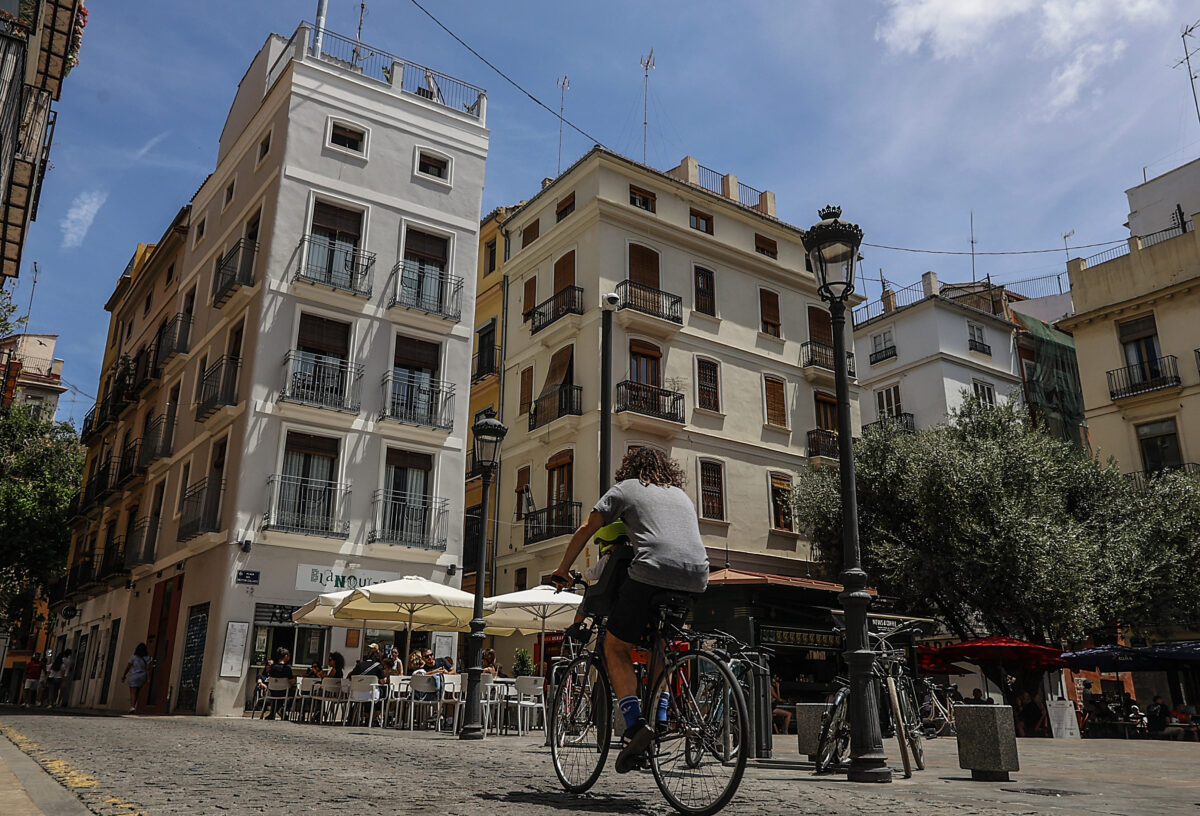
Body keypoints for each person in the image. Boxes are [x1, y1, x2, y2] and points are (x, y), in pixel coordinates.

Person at [552, 447, 709, 774]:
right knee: (661, 645)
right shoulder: (681, 495)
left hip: (652, 571)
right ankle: (660, 717)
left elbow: (587, 527)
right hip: (697, 576)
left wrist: (562, 570)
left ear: (630, 469)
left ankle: (636, 725)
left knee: (615, 646)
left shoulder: (626, 488)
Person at [264, 647, 295, 720]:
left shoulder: (272, 667)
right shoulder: (287, 668)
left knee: (276, 695)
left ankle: (272, 713)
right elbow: (292, 682)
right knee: (294, 693)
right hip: (284, 691)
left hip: (272, 691)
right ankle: (282, 709)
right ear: (286, 656)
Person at [120, 643, 152, 714]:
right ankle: (134, 705)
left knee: (133, 692)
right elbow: (148, 669)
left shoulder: (133, 657)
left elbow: (128, 667)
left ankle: (132, 706)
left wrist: (124, 675)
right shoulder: (147, 658)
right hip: (142, 676)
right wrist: (148, 678)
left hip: (134, 676)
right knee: (137, 692)